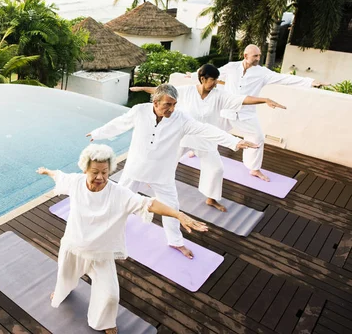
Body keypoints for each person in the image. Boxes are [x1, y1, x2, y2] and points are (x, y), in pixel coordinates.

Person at [37, 144, 207, 334]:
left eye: (105, 172)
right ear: (85, 169)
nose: (100, 177)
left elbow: (147, 203)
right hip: (73, 247)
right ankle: (62, 292)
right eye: (95, 172)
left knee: (109, 296)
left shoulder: (118, 193)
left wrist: (178, 215)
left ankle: (102, 322)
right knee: (65, 277)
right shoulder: (75, 182)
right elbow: (59, 176)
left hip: (101, 254)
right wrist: (47, 171)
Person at [86, 84, 257, 258]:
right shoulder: (140, 111)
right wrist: (98, 133)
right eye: (168, 104)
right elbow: (120, 123)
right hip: (135, 167)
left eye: (174, 104)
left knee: (172, 208)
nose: (172, 109)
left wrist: (234, 142)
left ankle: (176, 242)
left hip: (163, 173)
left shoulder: (181, 119)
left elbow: (206, 130)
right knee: (119, 200)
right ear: (155, 102)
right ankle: (107, 229)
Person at [130, 64, 286, 212]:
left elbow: (242, 99)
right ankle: (155, 182)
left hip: (206, 138)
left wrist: (264, 100)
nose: (215, 83)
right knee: (167, 161)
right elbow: (163, 93)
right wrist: (143, 88)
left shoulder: (219, 95)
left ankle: (211, 198)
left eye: (217, 80)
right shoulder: (187, 91)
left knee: (216, 169)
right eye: (212, 80)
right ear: (202, 79)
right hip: (184, 136)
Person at [216, 44, 328, 181]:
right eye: (255, 56)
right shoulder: (231, 67)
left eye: (259, 55)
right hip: (226, 110)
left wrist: (310, 82)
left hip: (246, 114)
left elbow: (285, 79)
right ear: (245, 56)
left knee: (257, 138)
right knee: (211, 130)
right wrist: (192, 75)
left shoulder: (262, 73)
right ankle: (197, 149)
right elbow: (213, 73)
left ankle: (254, 169)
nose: (258, 58)